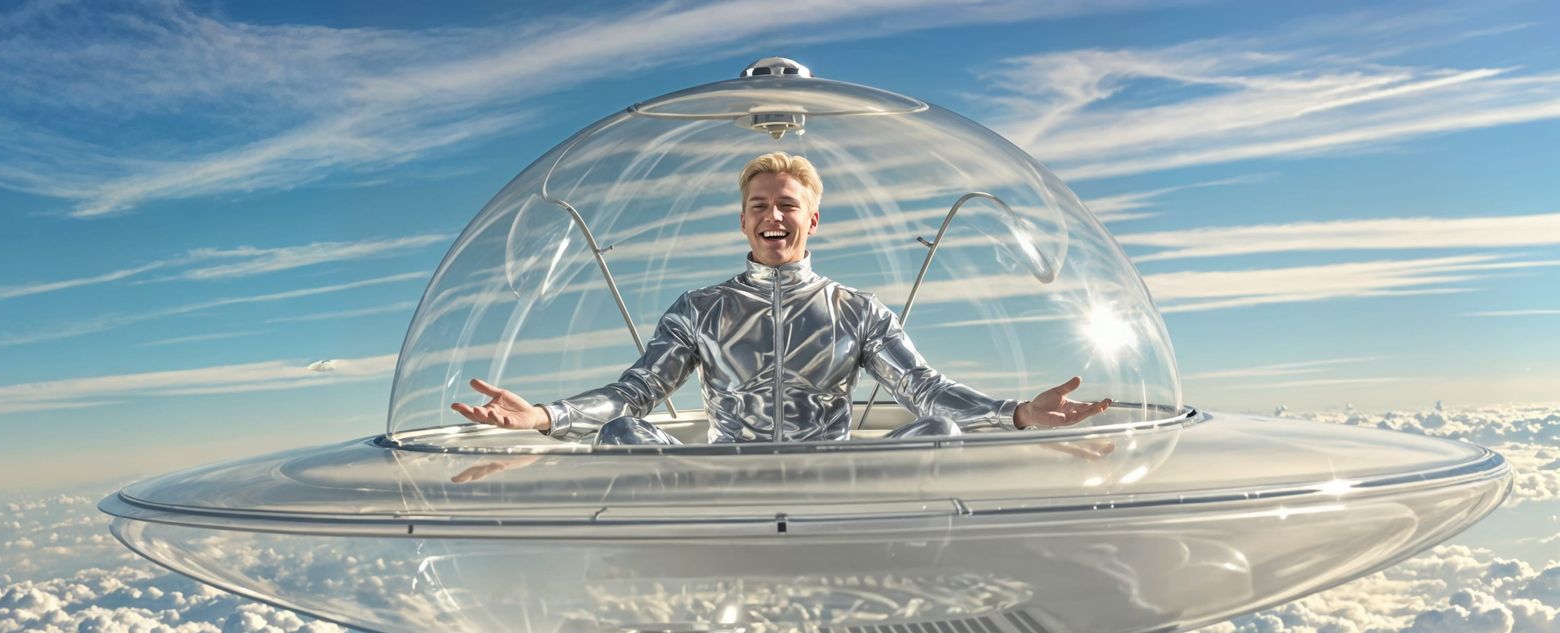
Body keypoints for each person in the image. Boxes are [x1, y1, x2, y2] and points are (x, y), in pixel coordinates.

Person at [452, 152, 1110, 444]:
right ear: (743, 221)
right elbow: (635, 392)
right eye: (759, 205)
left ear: (811, 220)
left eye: (787, 205)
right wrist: (544, 416)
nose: (773, 215)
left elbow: (925, 391)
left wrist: (1019, 413)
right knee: (623, 431)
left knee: (939, 431)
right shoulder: (700, 308)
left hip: (836, 479)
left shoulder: (857, 310)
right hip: (722, 483)